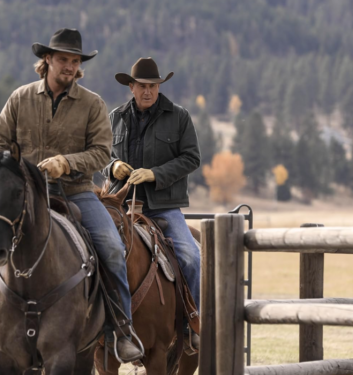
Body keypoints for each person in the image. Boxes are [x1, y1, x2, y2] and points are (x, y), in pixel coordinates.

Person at [0, 28, 142, 362]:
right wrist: (18, 170)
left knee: (111, 247)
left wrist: (66, 163)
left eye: (75, 61)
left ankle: (121, 328)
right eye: (63, 60)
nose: (69, 66)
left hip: (76, 191)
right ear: (47, 60)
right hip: (22, 195)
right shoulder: (20, 98)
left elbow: (101, 153)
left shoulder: (92, 104)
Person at [104, 57, 202, 348]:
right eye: (142, 86)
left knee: (190, 257)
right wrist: (113, 167)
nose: (148, 91)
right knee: (86, 252)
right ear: (131, 87)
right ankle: (90, 325)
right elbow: (100, 156)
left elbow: (191, 158)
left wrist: (154, 174)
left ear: (159, 87)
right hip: (118, 205)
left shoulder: (179, 116)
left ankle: (192, 323)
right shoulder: (114, 117)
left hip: (162, 205)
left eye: (153, 86)